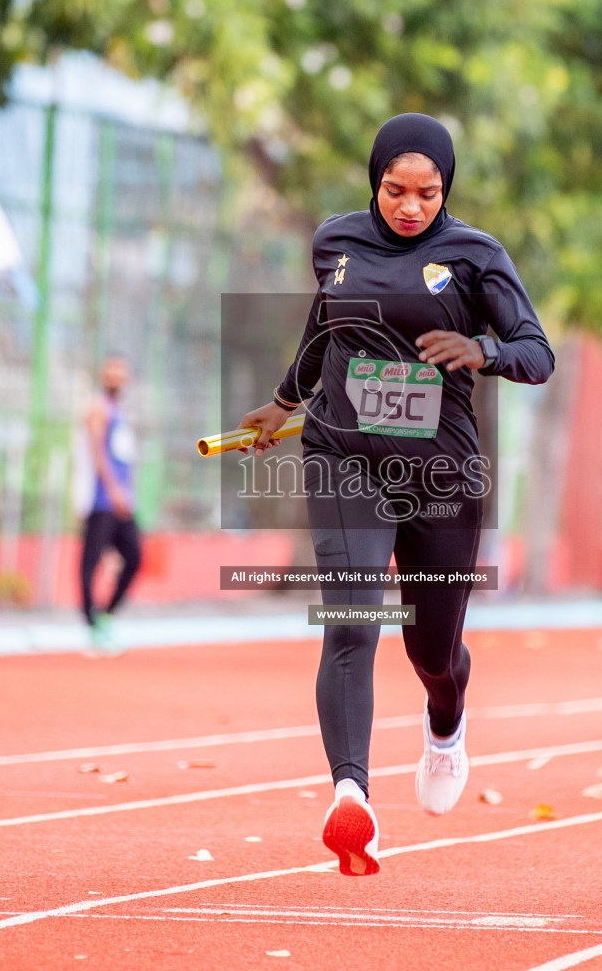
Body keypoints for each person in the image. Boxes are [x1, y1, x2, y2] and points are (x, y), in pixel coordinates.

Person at [236, 114, 554, 876]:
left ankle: (447, 719)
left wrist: (481, 347)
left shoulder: (476, 257)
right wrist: (285, 401)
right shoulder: (335, 242)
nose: (409, 207)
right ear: (373, 181)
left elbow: (538, 354)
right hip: (343, 457)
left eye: (427, 194)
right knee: (352, 622)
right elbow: (325, 326)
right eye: (394, 191)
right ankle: (352, 796)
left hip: (440, 473)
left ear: (446, 191)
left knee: (431, 649)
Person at [80, 355, 142, 653]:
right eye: (111, 372)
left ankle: (106, 615)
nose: (117, 378)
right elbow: (97, 452)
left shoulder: (120, 411)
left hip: (122, 500)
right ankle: (92, 625)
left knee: (134, 556)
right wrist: (114, 490)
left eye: (121, 372)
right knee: (90, 562)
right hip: (101, 500)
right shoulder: (98, 408)